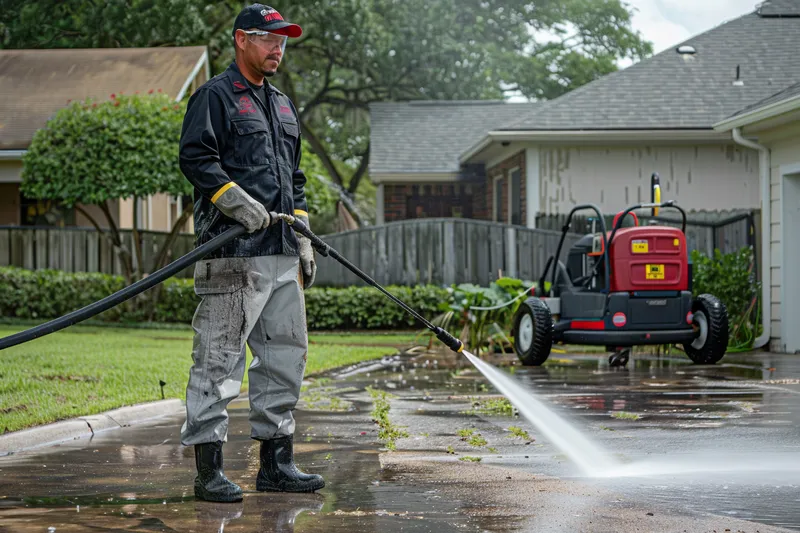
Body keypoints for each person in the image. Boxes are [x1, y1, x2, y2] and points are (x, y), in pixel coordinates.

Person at [177, 3, 322, 503]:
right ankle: (208, 471)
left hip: (281, 254)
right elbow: (195, 157)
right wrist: (233, 200)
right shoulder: (214, 97)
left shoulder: (282, 104)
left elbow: (294, 179)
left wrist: (301, 233)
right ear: (241, 40)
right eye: (268, 38)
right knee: (218, 360)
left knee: (284, 359)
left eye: (283, 39)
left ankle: (276, 465)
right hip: (233, 255)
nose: (278, 47)